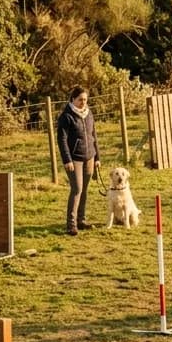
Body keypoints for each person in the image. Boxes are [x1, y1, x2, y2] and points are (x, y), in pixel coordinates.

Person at [56, 86, 100, 236]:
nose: (83, 102)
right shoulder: (66, 116)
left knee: (84, 190)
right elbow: (62, 140)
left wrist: (97, 157)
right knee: (77, 189)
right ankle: (71, 224)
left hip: (89, 157)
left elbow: (94, 136)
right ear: (72, 99)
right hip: (74, 159)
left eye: (85, 99)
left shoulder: (89, 113)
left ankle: (81, 220)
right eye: (80, 99)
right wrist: (67, 160)